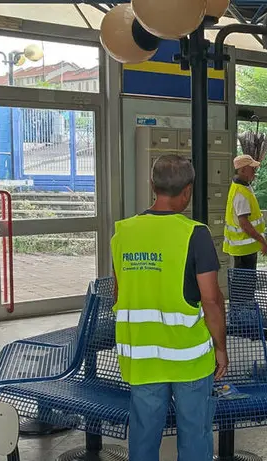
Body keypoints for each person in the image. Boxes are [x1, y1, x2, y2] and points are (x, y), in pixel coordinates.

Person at [110, 155, 228, 461]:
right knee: (194, 433)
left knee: (144, 434)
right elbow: (211, 300)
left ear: (152, 185)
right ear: (187, 191)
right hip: (188, 357)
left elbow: (119, 292)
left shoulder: (123, 232)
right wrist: (220, 347)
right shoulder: (195, 234)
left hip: (142, 355)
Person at [223, 154, 267, 269]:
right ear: (243, 170)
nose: (255, 171)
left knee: (243, 283)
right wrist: (262, 241)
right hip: (244, 249)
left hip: (244, 248)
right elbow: (244, 224)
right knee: (245, 283)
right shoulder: (240, 193)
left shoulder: (242, 187)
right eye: (252, 168)